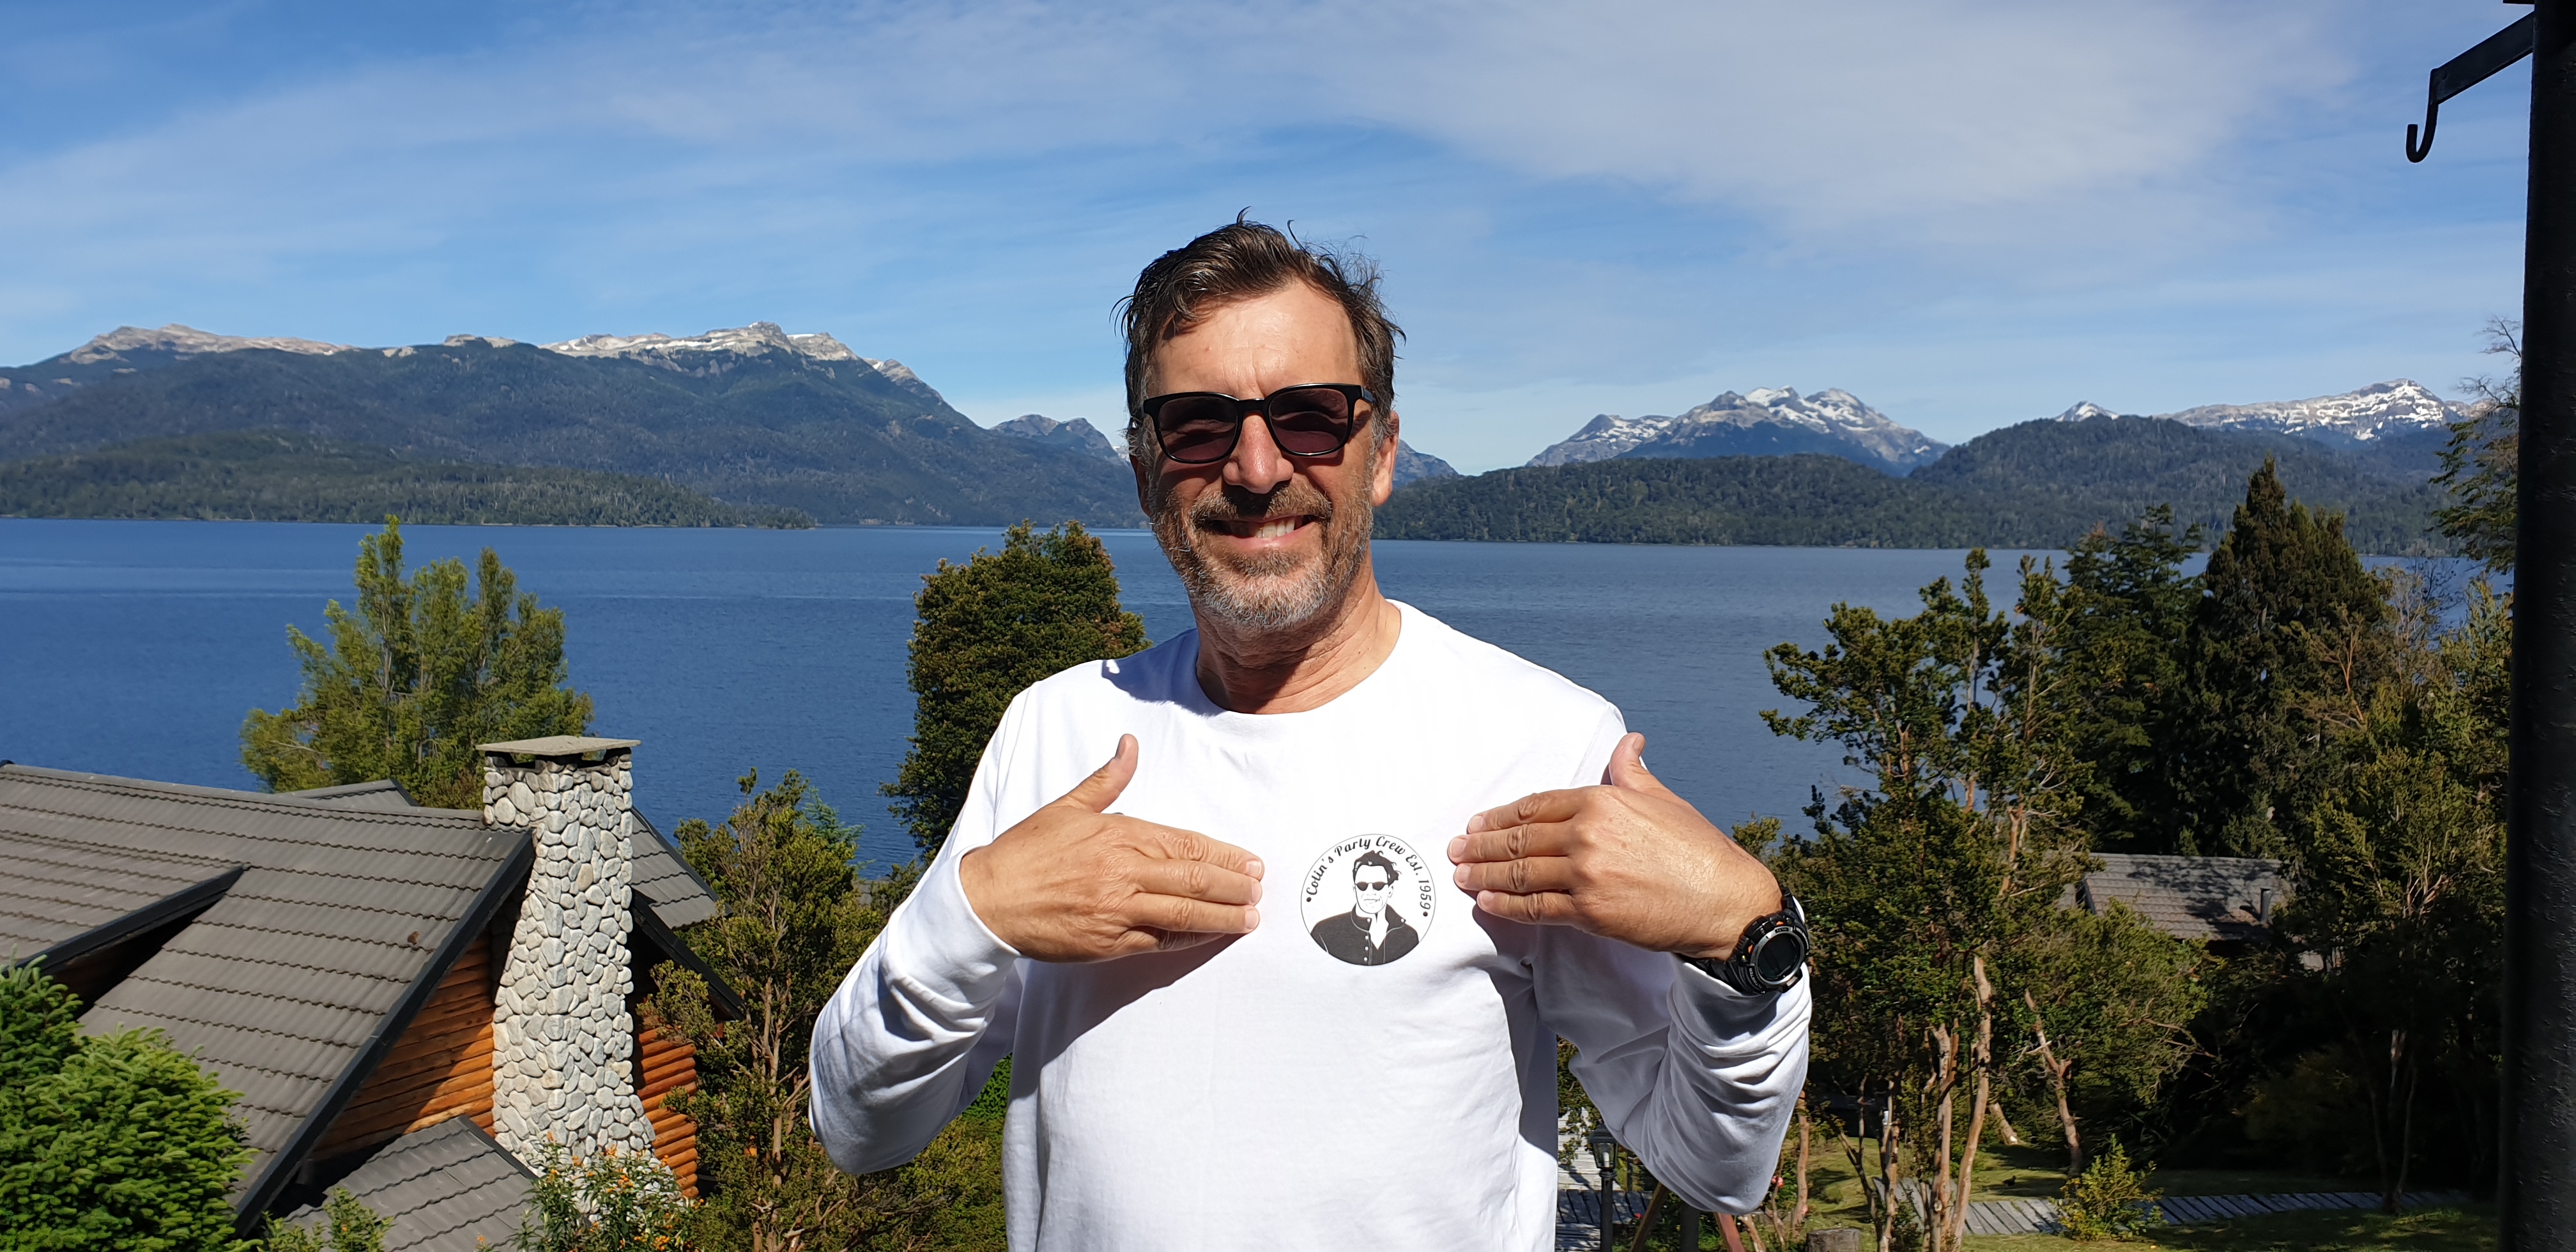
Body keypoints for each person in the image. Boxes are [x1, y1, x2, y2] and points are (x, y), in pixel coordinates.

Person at [810, 217, 1811, 1251]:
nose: (1256, 468)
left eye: (1309, 416)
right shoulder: (1056, 734)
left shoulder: (1538, 743)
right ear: (1145, 470)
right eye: (1198, 424)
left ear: (1380, 453)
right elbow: (858, 1130)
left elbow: (1715, 1166)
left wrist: (1742, 931)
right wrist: (970, 915)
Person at [1308, 850, 1420, 965]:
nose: (1370, 892)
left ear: (1390, 890)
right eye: (1362, 886)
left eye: (1378, 885)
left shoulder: (1409, 936)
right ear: (1354, 890)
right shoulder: (1324, 932)